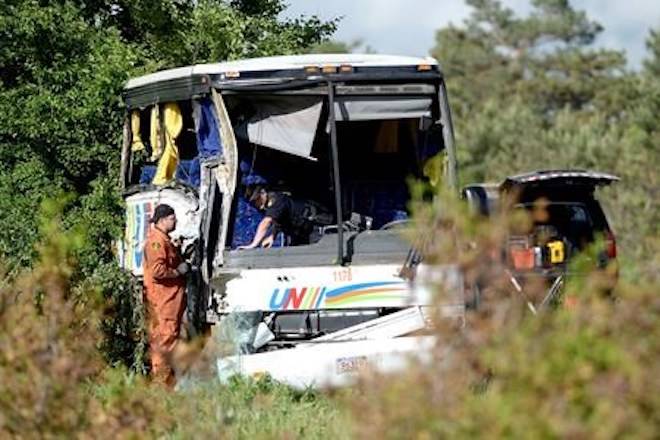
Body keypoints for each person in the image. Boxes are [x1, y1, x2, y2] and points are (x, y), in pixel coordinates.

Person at [142, 203, 189, 387]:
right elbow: (157, 270)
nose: (175, 220)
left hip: (169, 302)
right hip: (163, 302)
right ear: (162, 220)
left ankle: (166, 384)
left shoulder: (163, 240)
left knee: (168, 341)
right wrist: (177, 272)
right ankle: (162, 387)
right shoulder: (156, 242)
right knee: (165, 341)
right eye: (172, 218)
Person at [238, 185, 332, 249]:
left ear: (263, 193)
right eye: (253, 202)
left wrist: (253, 244)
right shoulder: (267, 207)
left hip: (312, 228)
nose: (256, 203)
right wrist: (272, 236)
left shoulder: (277, 199)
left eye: (257, 199)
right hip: (298, 233)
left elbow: (266, 222)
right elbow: (278, 220)